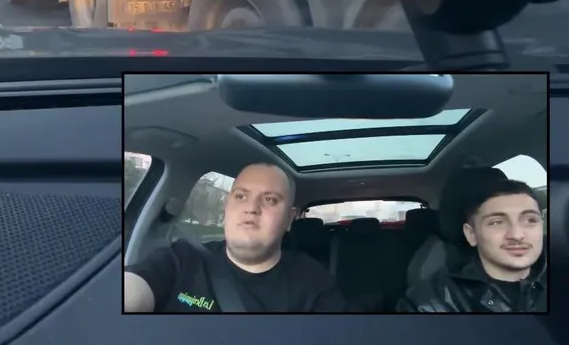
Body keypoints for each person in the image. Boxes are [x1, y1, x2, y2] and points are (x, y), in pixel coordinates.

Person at [123, 163, 348, 313]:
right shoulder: (181, 259)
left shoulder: (315, 282)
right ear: (227, 207)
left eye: (269, 199)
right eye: (241, 196)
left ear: (290, 219)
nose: (251, 208)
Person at [398, 178, 546, 313]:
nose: (517, 235)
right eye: (497, 222)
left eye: (530, 220)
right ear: (471, 234)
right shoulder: (426, 304)